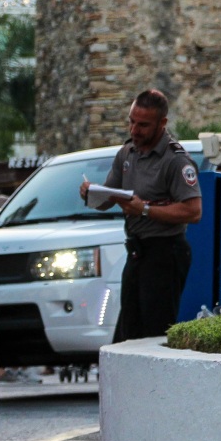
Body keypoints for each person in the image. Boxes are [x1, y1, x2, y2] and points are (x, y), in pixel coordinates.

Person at [80, 88, 201, 341]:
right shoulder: (127, 153)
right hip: (136, 252)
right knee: (127, 334)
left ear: (162, 123)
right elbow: (108, 198)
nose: (135, 130)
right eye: (132, 122)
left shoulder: (176, 160)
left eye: (143, 125)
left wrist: (144, 209)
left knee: (155, 334)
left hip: (165, 251)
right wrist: (90, 193)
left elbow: (193, 210)